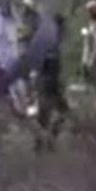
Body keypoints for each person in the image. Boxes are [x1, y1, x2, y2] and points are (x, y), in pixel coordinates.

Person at [34, 13, 69, 151]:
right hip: (47, 84)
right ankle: (45, 143)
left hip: (48, 84)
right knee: (49, 114)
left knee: (47, 115)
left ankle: (45, 142)